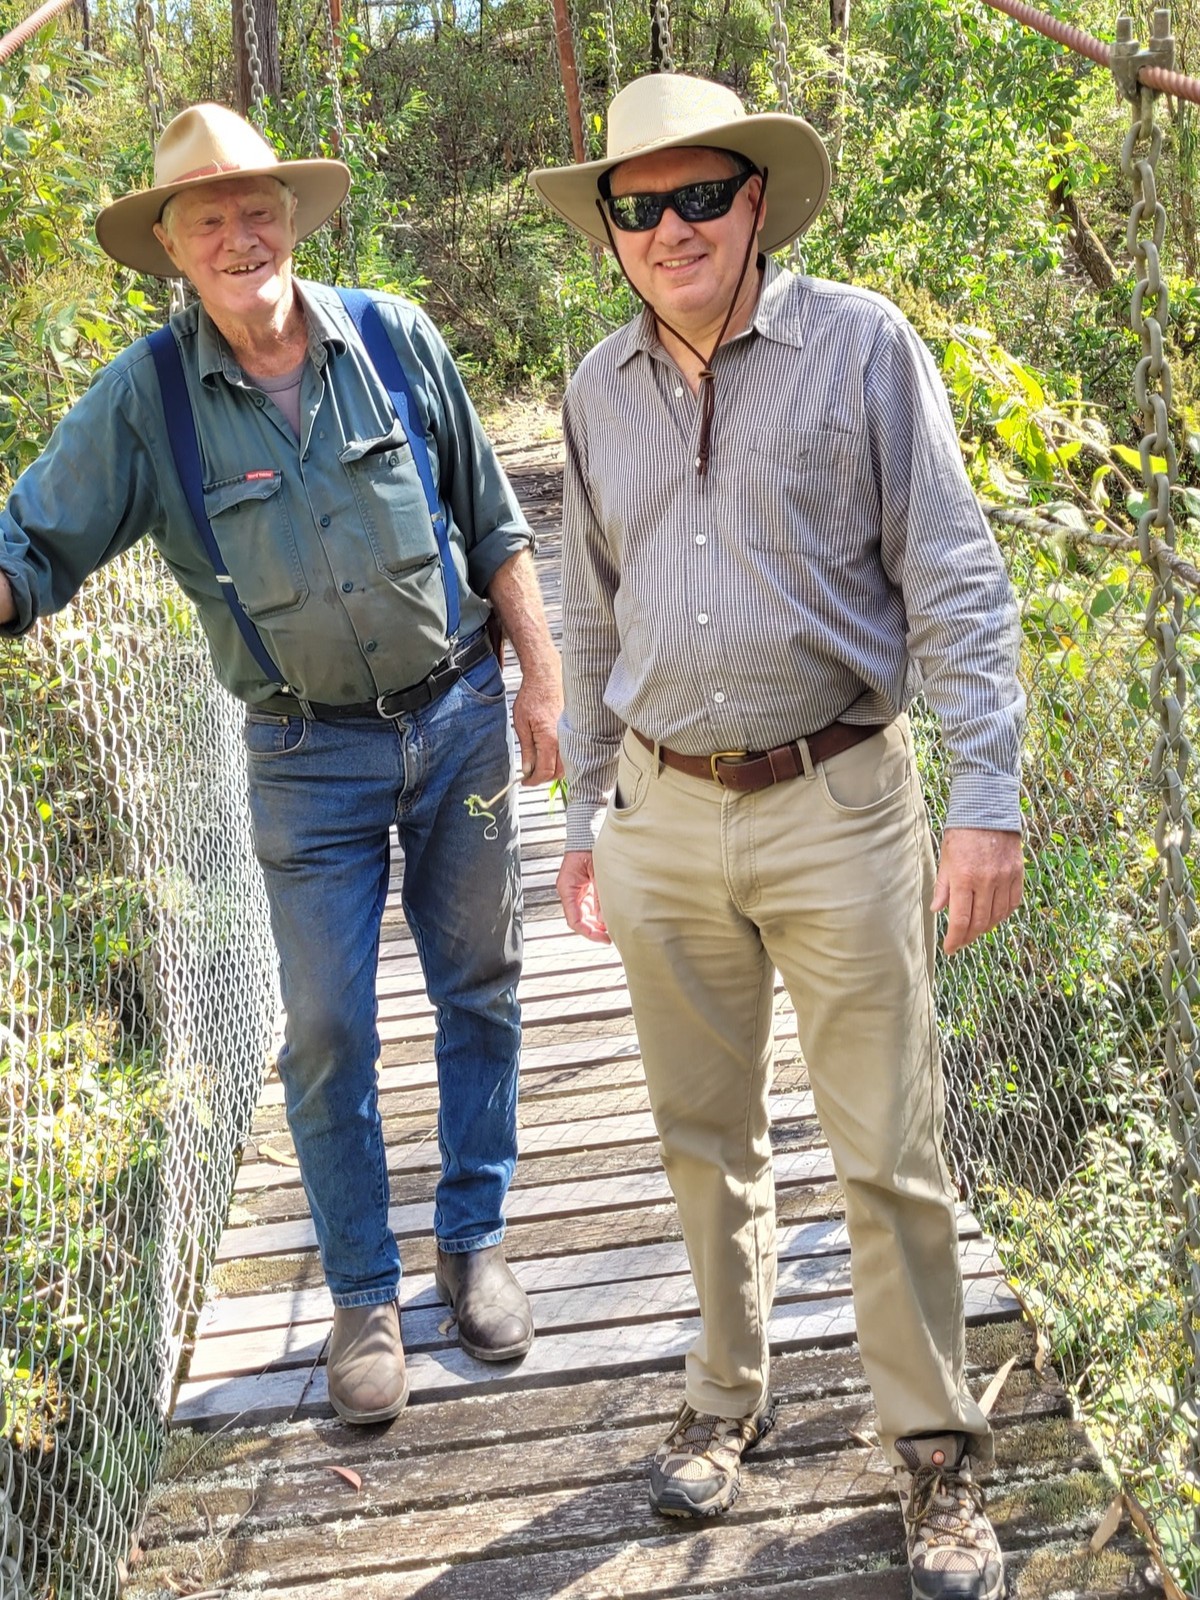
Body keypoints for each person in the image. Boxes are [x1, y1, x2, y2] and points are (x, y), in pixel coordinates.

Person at [531, 73, 1023, 1600]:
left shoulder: (864, 347)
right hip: (662, 813)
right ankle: (724, 1397)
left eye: (699, 197)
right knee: (702, 1138)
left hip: (841, 800)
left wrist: (986, 799)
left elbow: (954, 575)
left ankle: (933, 1450)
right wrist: (588, 818)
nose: (669, 229)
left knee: (889, 1144)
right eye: (638, 206)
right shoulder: (594, 389)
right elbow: (590, 614)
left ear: (756, 203)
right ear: (610, 228)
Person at [0, 104, 563, 1425]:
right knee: (326, 1030)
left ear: (293, 217)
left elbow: (491, 521)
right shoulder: (145, 403)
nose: (239, 236)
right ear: (172, 247)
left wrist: (541, 675)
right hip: (306, 759)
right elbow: (32, 548)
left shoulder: (393, 339)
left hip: (461, 719)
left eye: (257, 207)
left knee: (482, 983)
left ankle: (474, 1241)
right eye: (207, 219)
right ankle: (363, 1292)